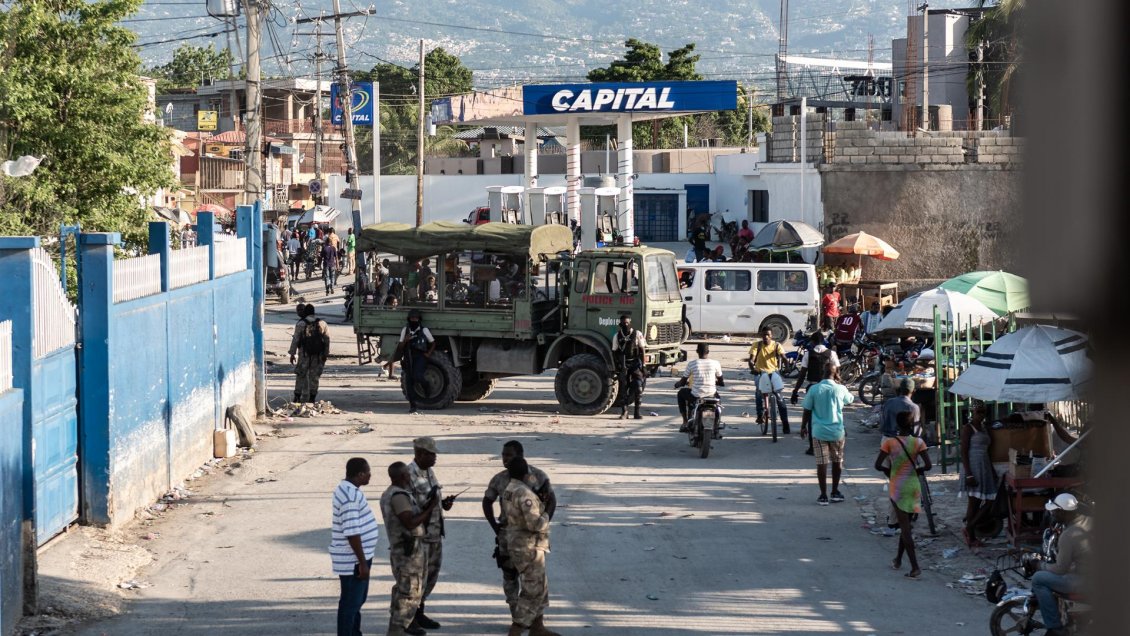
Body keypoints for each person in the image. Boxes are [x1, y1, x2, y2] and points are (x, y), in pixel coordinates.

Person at [482, 442, 557, 618]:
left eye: (509, 455)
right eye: (503, 455)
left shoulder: (538, 476)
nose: (505, 459)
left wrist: (543, 523)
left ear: (521, 456)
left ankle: (532, 619)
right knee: (509, 576)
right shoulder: (499, 479)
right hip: (507, 535)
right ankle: (516, 615)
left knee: (532, 579)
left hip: (530, 538)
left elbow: (552, 500)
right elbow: (487, 501)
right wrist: (495, 526)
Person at [502, 457, 560, 636]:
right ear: (526, 474)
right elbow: (535, 524)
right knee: (532, 591)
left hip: (520, 545)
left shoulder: (510, 489)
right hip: (528, 548)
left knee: (540, 587)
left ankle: (537, 628)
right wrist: (548, 510)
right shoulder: (525, 494)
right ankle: (516, 630)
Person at [380, 461, 438, 636]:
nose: (409, 477)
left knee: (404, 589)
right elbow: (410, 522)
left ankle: (399, 627)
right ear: (401, 476)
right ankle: (397, 629)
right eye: (406, 474)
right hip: (407, 552)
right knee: (409, 593)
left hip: (406, 550)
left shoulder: (393, 493)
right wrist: (430, 508)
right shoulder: (398, 496)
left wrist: (426, 507)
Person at [873, 411, 932, 578]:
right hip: (913, 486)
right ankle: (898, 559)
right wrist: (916, 470)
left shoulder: (889, 443)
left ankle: (915, 567)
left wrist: (890, 472)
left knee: (905, 529)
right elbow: (928, 465)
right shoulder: (918, 442)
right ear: (912, 424)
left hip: (897, 486)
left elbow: (878, 465)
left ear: (897, 425)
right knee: (906, 525)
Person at [407, 437, 455, 631]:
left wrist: (443, 504)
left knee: (430, 577)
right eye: (431, 454)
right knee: (416, 579)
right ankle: (408, 618)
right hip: (420, 537)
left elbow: (431, 499)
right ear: (419, 454)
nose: (435, 457)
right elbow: (407, 508)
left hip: (435, 534)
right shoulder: (408, 475)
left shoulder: (428, 471)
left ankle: (419, 612)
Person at [330, 458, 380, 636]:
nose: (370, 475)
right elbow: (351, 532)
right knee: (350, 604)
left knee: (356, 602)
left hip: (358, 557)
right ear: (360, 474)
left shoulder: (349, 490)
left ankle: (355, 633)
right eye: (368, 472)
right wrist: (362, 563)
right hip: (354, 560)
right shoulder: (350, 497)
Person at [1030, 493, 1090, 636]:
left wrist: (1040, 565)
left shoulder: (1069, 535)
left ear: (1063, 512)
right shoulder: (1090, 521)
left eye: (1055, 512)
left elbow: (1060, 569)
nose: (1052, 514)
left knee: (1038, 579)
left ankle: (1055, 627)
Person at [802, 363, 854, 505]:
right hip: (837, 432)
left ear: (822, 372)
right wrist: (840, 383)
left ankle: (823, 495)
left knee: (821, 463)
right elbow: (850, 399)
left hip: (819, 432)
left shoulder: (814, 389)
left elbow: (807, 409)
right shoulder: (840, 388)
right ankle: (835, 492)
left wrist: (803, 427)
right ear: (836, 373)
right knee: (837, 461)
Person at [791, 332, 839, 455]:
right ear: (823, 341)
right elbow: (837, 373)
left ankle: (813, 447)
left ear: (812, 342)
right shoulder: (831, 354)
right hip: (829, 387)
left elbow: (802, 374)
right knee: (831, 414)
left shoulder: (808, 354)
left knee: (811, 417)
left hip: (813, 387)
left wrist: (795, 391)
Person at [959, 402, 997, 547]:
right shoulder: (968, 428)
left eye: (983, 412)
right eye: (978, 412)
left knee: (987, 501)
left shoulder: (985, 428)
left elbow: (988, 451)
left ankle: (970, 529)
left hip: (984, 466)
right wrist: (969, 474)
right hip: (973, 467)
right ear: (972, 412)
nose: (981, 415)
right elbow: (963, 452)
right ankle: (971, 533)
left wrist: (992, 471)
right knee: (974, 502)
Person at [387, 310, 435, 414]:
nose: (414, 320)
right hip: (408, 356)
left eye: (416, 318)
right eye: (412, 318)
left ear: (419, 319)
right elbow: (400, 346)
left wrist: (428, 354)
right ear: (409, 319)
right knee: (409, 383)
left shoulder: (424, 330)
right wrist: (405, 340)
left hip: (420, 356)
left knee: (418, 376)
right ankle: (413, 406)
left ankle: (426, 386)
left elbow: (433, 343)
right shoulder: (405, 330)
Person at [675, 343, 724, 433]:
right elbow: (721, 382)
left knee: (681, 393)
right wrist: (715, 382)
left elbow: (683, 382)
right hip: (711, 394)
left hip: (696, 396)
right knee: (718, 403)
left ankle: (685, 421)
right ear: (708, 352)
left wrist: (677, 384)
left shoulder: (692, 364)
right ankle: (717, 423)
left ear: (697, 351)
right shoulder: (715, 363)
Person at [748, 327, 789, 433]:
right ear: (761, 335)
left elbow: (784, 357)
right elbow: (751, 360)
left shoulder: (777, 345)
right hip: (760, 372)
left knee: (779, 397)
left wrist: (787, 366)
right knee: (758, 392)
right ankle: (759, 415)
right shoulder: (756, 345)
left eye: (768, 335)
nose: (766, 337)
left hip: (773, 372)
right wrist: (752, 368)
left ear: (771, 335)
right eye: (764, 334)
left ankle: (785, 423)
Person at [289, 304, 330, 404]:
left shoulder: (301, 324)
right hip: (318, 354)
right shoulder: (322, 323)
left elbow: (295, 340)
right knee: (314, 376)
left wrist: (292, 354)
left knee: (301, 374)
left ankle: (297, 396)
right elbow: (327, 340)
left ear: (305, 312)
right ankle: (312, 397)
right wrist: (325, 354)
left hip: (304, 354)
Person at [611, 314, 647, 420]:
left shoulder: (637, 333)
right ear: (620, 324)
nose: (625, 325)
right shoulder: (617, 336)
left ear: (630, 323)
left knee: (638, 387)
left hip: (635, 363)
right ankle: (624, 412)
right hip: (624, 365)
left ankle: (637, 412)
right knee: (623, 389)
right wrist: (618, 366)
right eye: (623, 323)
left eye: (627, 323)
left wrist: (644, 365)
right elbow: (614, 352)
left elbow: (642, 350)